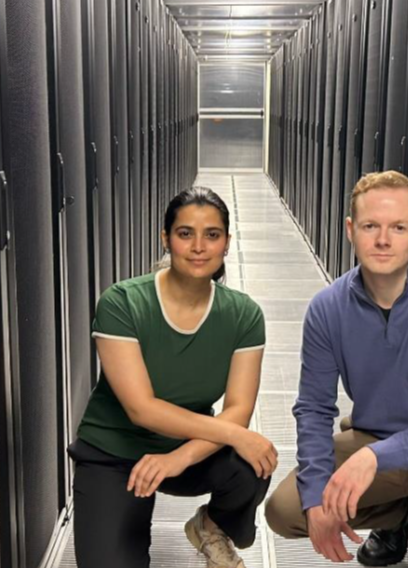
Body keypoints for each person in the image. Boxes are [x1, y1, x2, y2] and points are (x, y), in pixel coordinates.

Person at [265, 171, 408, 568]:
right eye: (370, 225)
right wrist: (316, 497)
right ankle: (401, 514)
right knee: (287, 509)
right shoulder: (328, 308)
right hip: (374, 438)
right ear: (350, 229)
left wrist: (375, 457)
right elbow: (314, 409)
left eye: (399, 227)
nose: (382, 240)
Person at [69, 186, 278, 568]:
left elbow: (238, 409)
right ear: (166, 238)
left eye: (212, 235)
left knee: (253, 462)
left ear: (227, 243)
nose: (199, 246)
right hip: (113, 452)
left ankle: (210, 526)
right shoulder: (122, 302)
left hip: (187, 448)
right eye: (185, 234)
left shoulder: (243, 315)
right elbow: (141, 408)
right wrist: (234, 433)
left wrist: (178, 457)